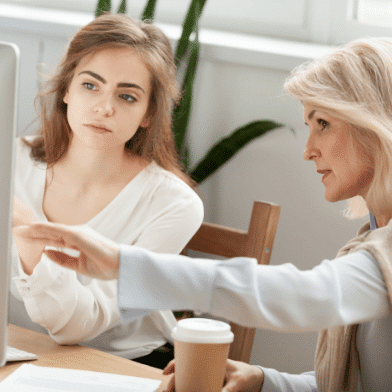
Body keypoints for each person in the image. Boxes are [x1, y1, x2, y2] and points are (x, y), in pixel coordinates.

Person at [14, 36, 392, 391]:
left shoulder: (385, 252)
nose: (307, 149)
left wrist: (123, 264)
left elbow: (311, 297)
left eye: (323, 123)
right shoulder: (371, 238)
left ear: (375, 127)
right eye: (309, 125)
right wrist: (264, 379)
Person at [10, 13, 204, 368]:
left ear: (148, 113)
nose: (104, 107)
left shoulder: (174, 205)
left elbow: (79, 327)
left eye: (128, 96)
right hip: (14, 355)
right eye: (90, 85)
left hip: (118, 369)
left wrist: (29, 234)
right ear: (66, 89)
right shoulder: (11, 161)